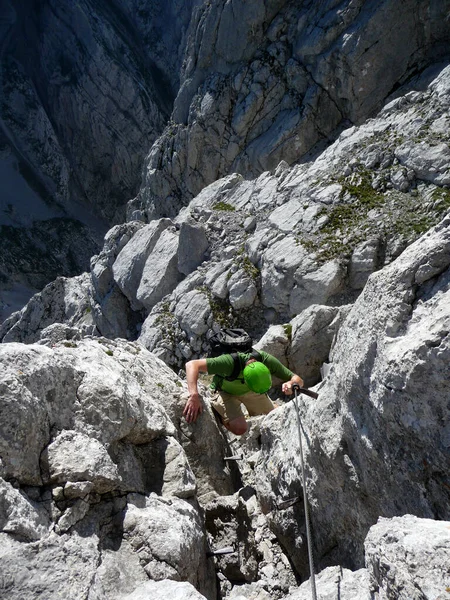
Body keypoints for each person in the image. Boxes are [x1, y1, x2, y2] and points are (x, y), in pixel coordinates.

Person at [183, 350, 304, 435]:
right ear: (245, 380)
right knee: (240, 428)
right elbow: (191, 365)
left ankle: (270, 406)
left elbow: (298, 379)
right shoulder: (228, 362)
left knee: (277, 417)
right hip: (225, 391)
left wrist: (292, 384)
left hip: (251, 391)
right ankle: (222, 417)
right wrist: (194, 395)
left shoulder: (265, 359)